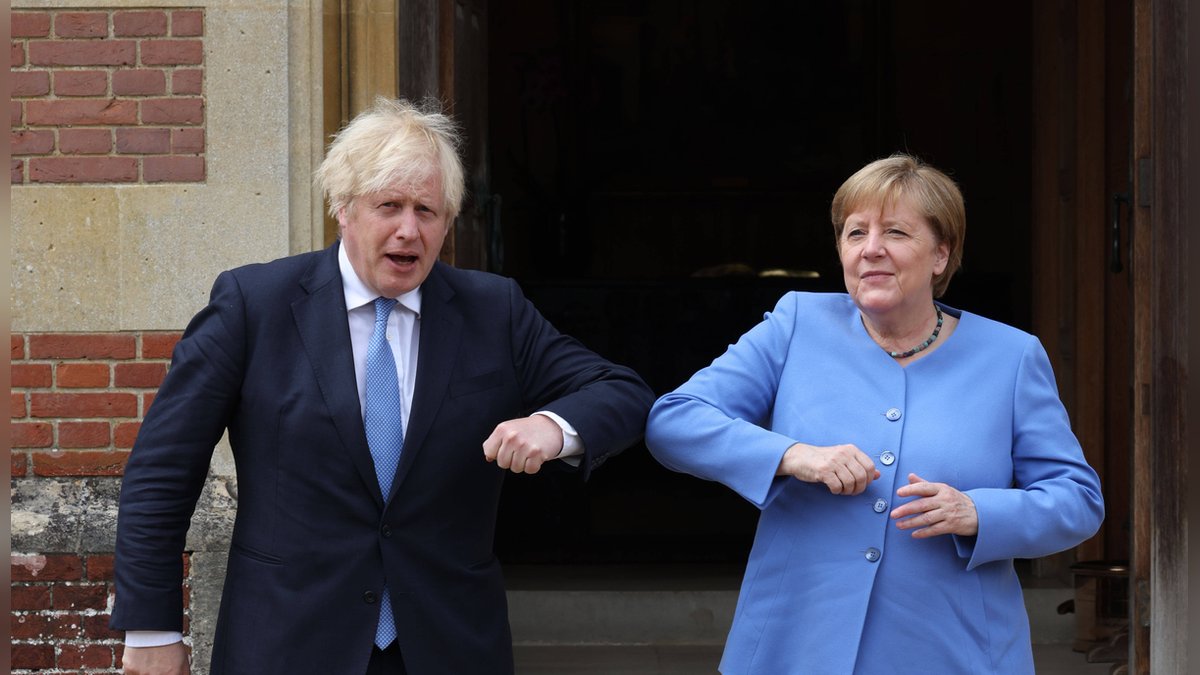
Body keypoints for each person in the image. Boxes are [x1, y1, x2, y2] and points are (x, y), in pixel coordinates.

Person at [111, 97, 654, 675]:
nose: (408, 230)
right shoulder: (255, 306)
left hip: (447, 647)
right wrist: (152, 628)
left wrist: (553, 426)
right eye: (388, 206)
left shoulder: (495, 311)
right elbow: (162, 470)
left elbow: (621, 390)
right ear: (342, 208)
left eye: (427, 210)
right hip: (287, 644)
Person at [644, 154, 1104, 673]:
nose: (871, 250)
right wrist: (793, 456)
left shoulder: (1011, 357)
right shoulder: (797, 323)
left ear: (940, 254)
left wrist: (978, 513)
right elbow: (674, 421)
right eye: (855, 232)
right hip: (795, 644)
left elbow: (1078, 500)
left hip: (954, 649)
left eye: (896, 233)